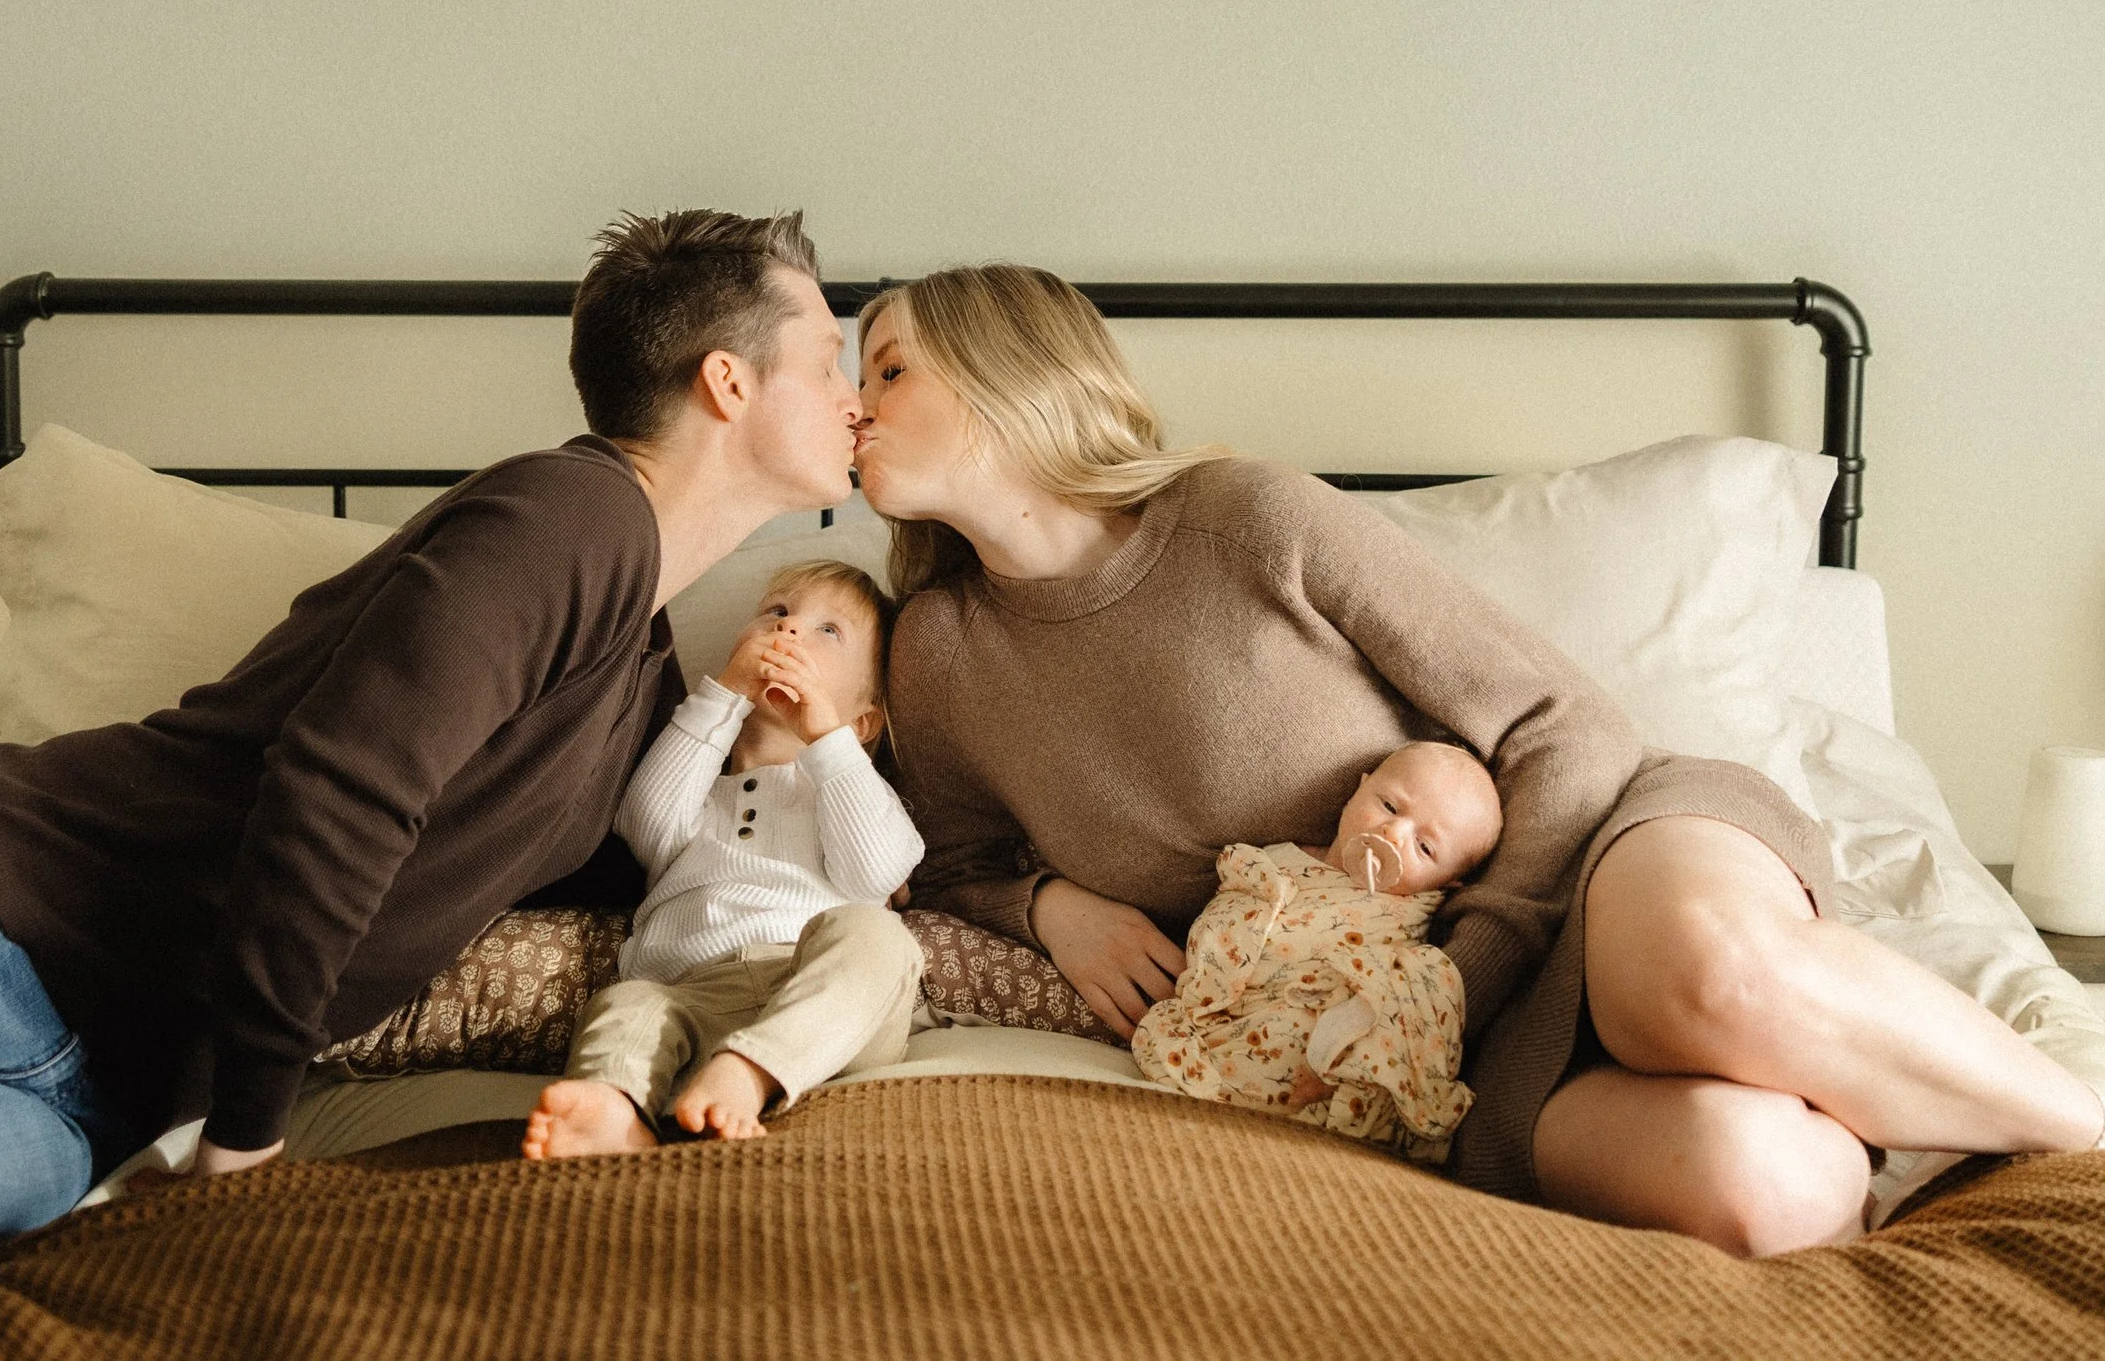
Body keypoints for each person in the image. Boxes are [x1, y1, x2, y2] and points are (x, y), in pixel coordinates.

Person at [0, 208, 864, 1293]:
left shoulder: (631, 661)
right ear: (727, 381)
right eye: (831, 358)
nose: (856, 396)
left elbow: (667, 885)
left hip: (85, 1092)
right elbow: (337, 791)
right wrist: (248, 1140)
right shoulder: (567, 515)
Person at [854, 262, 2105, 1257]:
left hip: (1595, 858)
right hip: (1423, 1056)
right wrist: (1048, 906)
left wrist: (1476, 962)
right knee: (1760, 1190)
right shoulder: (937, 655)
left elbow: (1562, 725)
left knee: (1701, 982)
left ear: (1003, 370)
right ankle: (1877, 1090)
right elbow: (949, 861)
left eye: (891, 365)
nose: (856, 406)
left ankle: (2085, 1135)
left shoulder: (1246, 516)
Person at [522, 559, 923, 1158]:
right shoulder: (698, 787)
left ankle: (751, 1070)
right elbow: (647, 820)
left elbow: (879, 869)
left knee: (878, 936)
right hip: (691, 995)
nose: (788, 633)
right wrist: (725, 696)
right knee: (626, 1005)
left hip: (821, 1001)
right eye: (777, 612)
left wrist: (826, 741)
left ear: (863, 722)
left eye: (828, 631)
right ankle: (614, 1109)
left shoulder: (848, 789)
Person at [1132, 740, 1502, 1163]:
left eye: (1425, 848)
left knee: (1424, 982)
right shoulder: (1278, 861)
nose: (1393, 835)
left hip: (1317, 1055)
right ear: (1357, 790)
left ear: (1447, 884)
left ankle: (1334, 1061)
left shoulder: (1409, 908)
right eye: (1389, 806)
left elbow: (1413, 1000)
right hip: (1224, 1027)